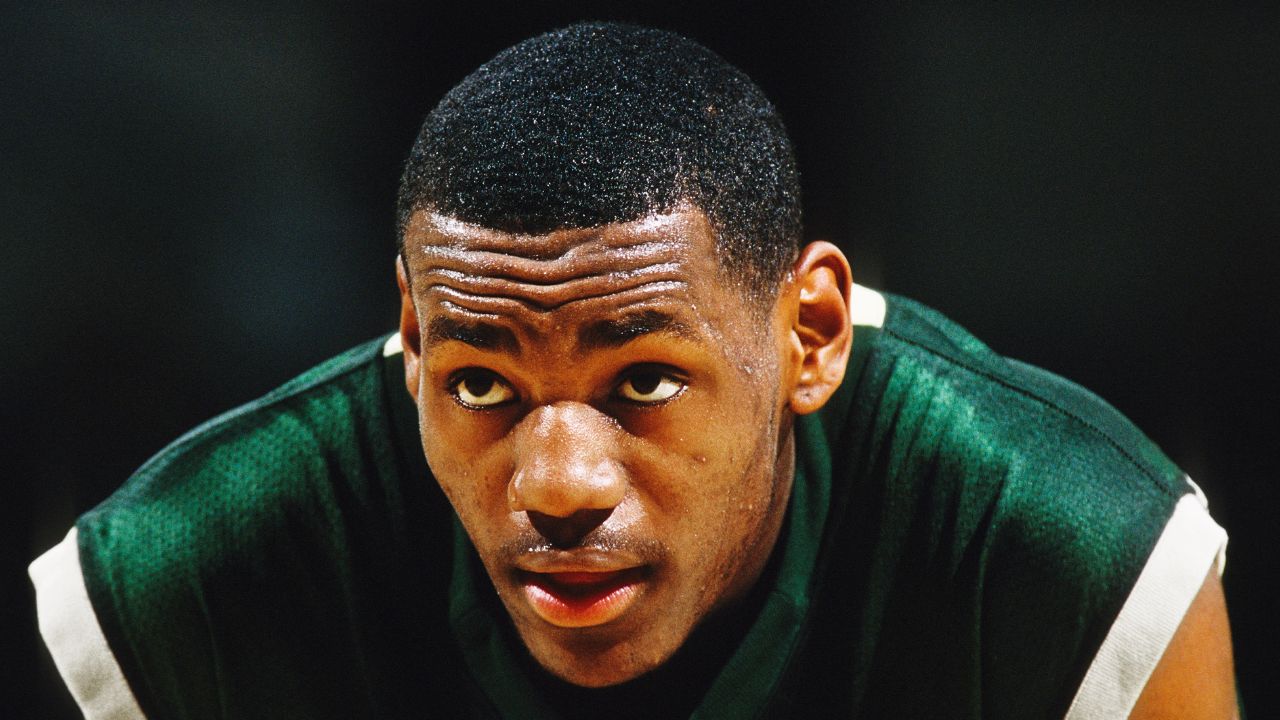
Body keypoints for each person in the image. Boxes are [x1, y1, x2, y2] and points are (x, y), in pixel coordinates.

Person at [30, 22, 1236, 719]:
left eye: (642, 383)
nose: (556, 485)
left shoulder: (1072, 555)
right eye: (481, 386)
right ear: (408, 334)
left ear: (807, 333)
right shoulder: (188, 576)